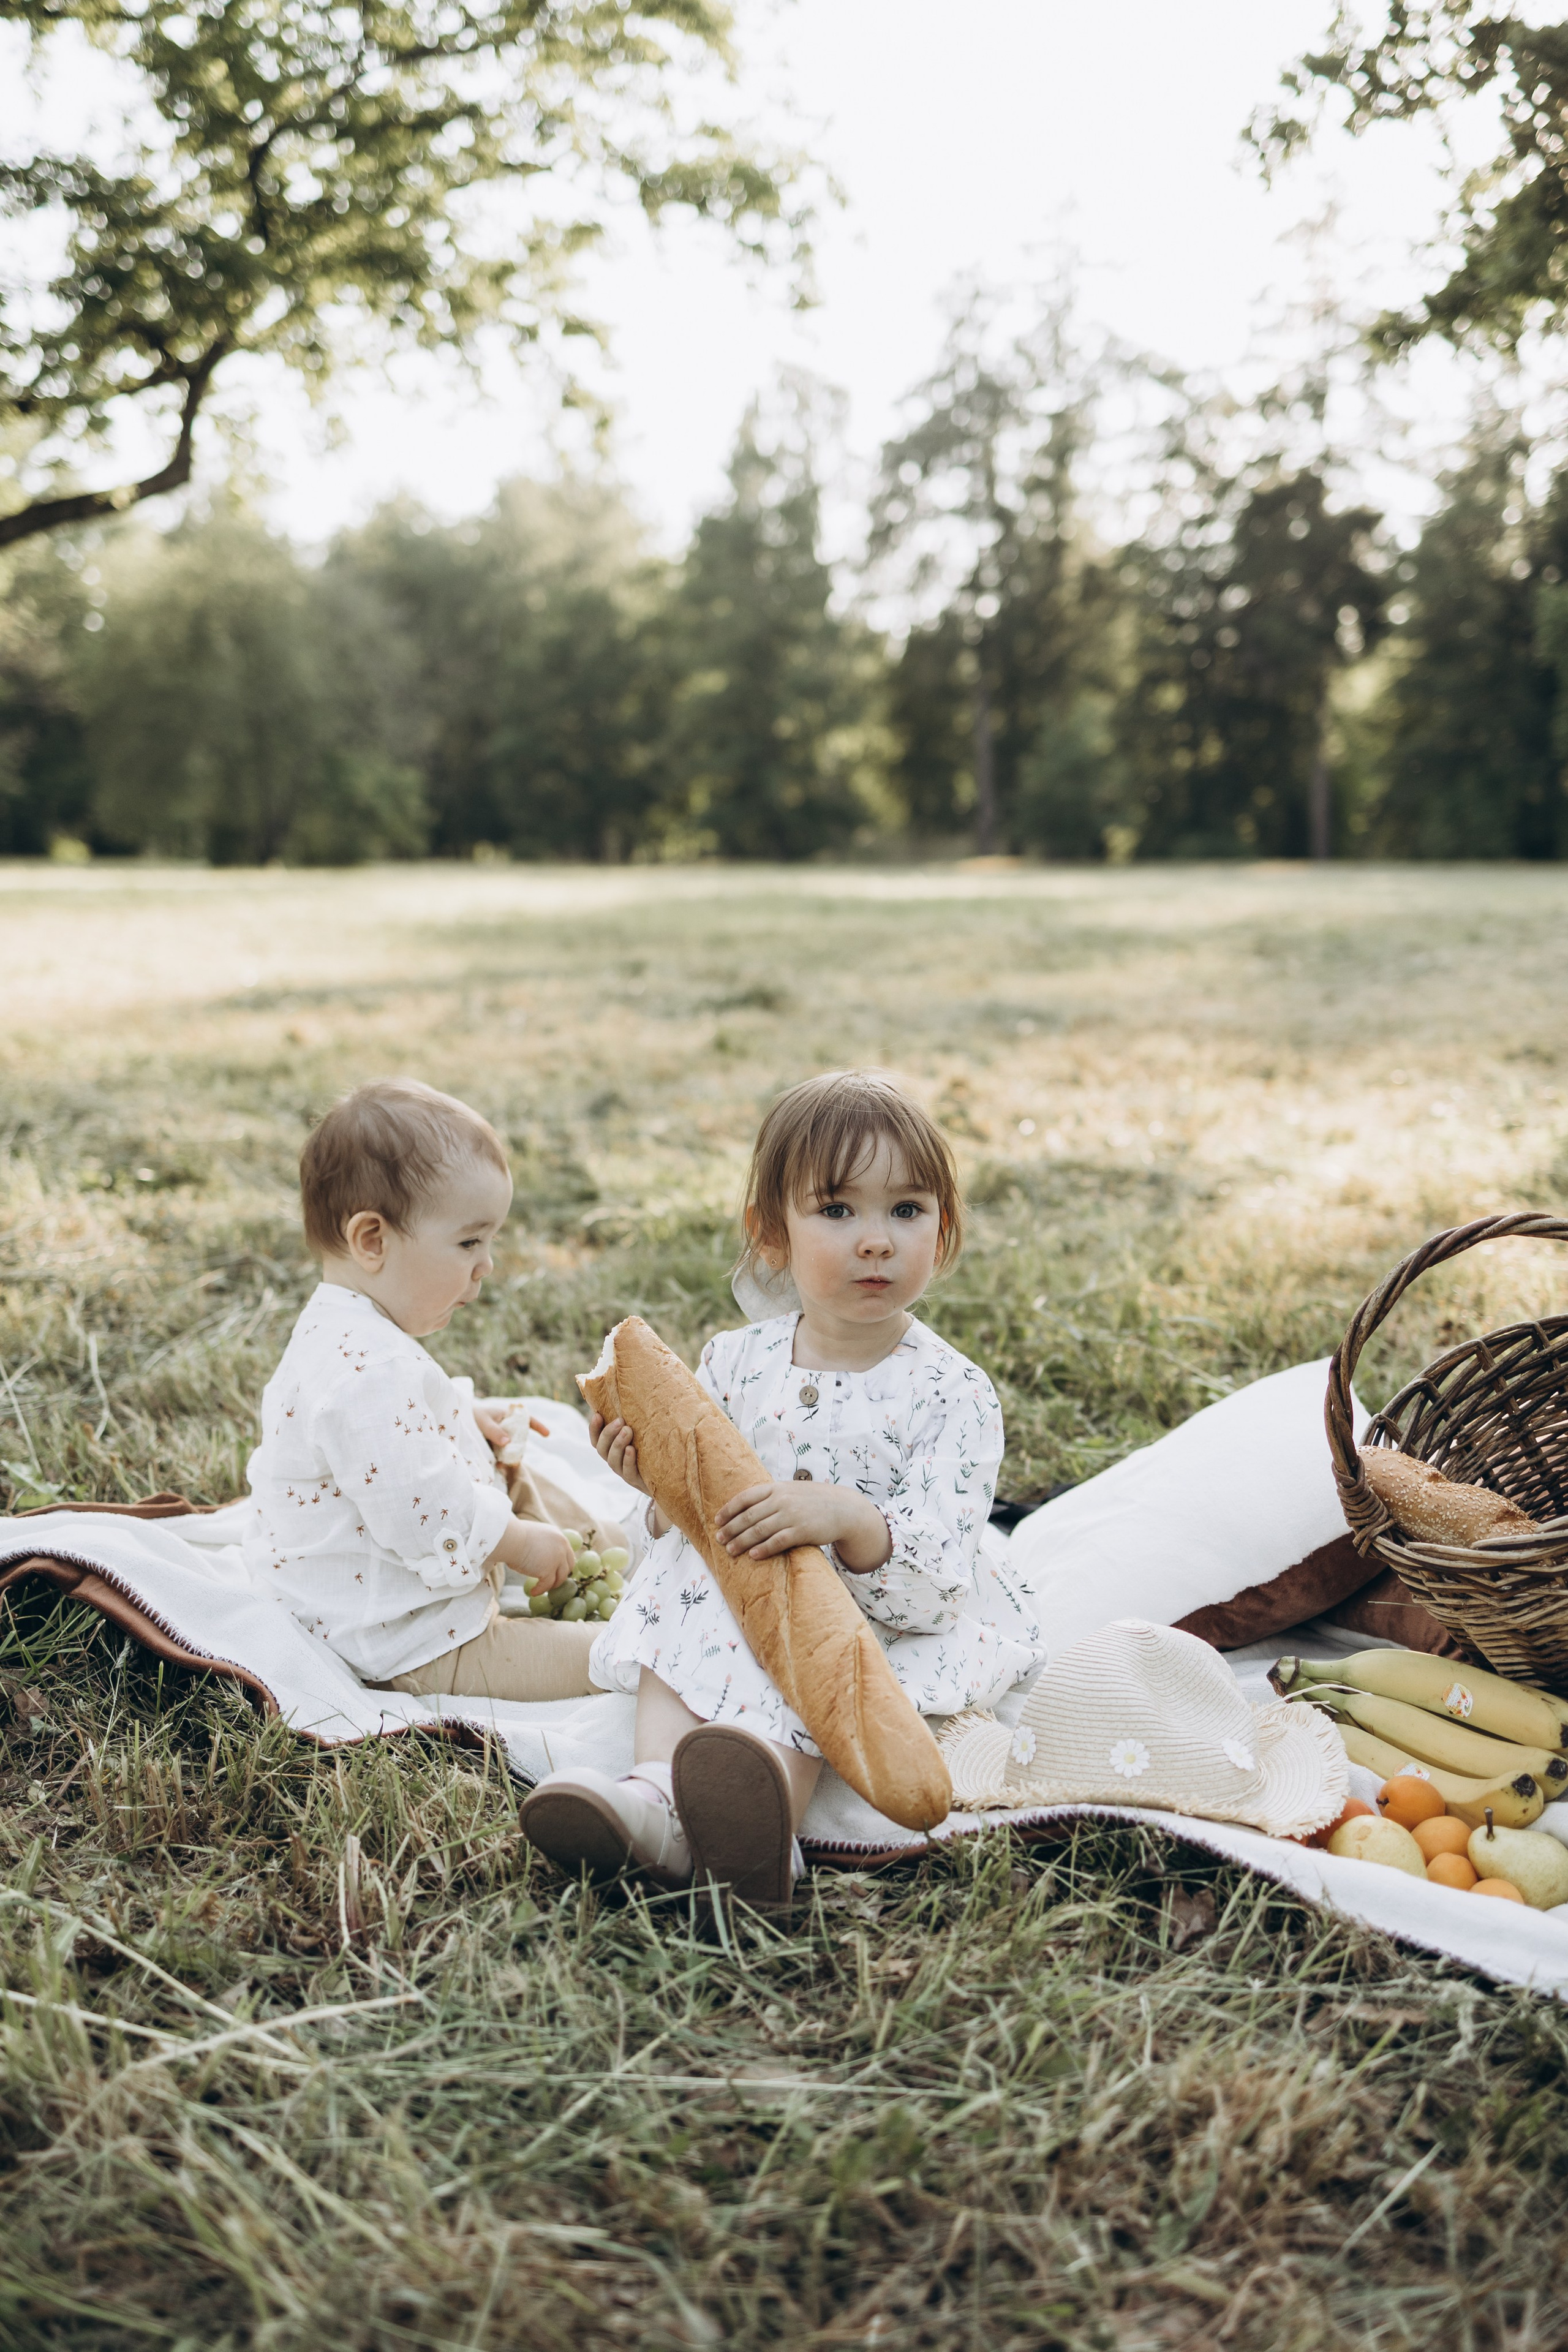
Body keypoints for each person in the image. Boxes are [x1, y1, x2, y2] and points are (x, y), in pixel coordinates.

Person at [519, 1069, 1046, 1911]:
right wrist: (655, 1488)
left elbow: (939, 1568)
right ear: (771, 1234)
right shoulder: (735, 1362)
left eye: (906, 1210)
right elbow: (680, 1522)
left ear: (943, 1233)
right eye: (837, 1210)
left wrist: (847, 1518)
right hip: (739, 1581)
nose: (875, 1239)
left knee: (819, 1633)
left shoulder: (953, 1392)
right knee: (695, 1569)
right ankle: (656, 1795)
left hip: (877, 1606)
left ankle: (766, 1822)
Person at [243, 1077, 607, 1702]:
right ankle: (642, 1637)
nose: (486, 1265)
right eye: (469, 1241)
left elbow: (382, 1437)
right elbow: (420, 1503)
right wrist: (517, 1543)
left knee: (512, 1469)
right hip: (402, 1636)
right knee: (608, 1661)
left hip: (373, 1594)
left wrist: (460, 1417)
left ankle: (611, 1545)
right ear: (372, 1241)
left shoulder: (346, 1330)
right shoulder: (363, 1372)